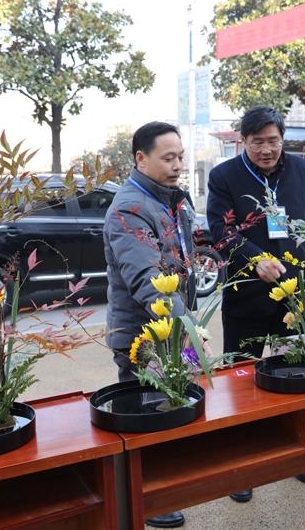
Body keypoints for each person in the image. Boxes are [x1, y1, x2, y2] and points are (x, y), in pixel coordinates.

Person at [206, 105, 305, 501]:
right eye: (257, 142)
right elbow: (219, 232)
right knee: (240, 380)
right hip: (247, 297)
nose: (266, 150)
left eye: (273, 141)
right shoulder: (224, 176)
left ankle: (301, 455)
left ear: (283, 139)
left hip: (297, 295)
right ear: (243, 140)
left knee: (297, 376)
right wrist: (256, 259)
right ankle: (240, 467)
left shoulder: (301, 170)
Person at [103, 121, 195, 529]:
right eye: (168, 158)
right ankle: (144, 500)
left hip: (166, 330)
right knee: (143, 413)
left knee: (162, 407)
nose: (177, 166)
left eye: (180, 157)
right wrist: (190, 328)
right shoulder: (130, 206)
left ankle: (155, 491)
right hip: (145, 333)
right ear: (140, 158)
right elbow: (147, 281)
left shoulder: (167, 199)